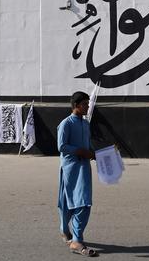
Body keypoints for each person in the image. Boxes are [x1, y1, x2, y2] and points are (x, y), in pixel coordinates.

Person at [57, 91, 98, 257]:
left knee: (81, 201)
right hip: (71, 168)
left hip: (84, 168)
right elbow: (62, 146)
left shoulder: (85, 124)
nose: (87, 107)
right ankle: (75, 239)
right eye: (85, 104)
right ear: (76, 105)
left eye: (88, 104)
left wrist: (98, 154)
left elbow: (88, 146)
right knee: (75, 202)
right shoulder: (66, 124)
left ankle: (71, 234)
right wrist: (79, 151)